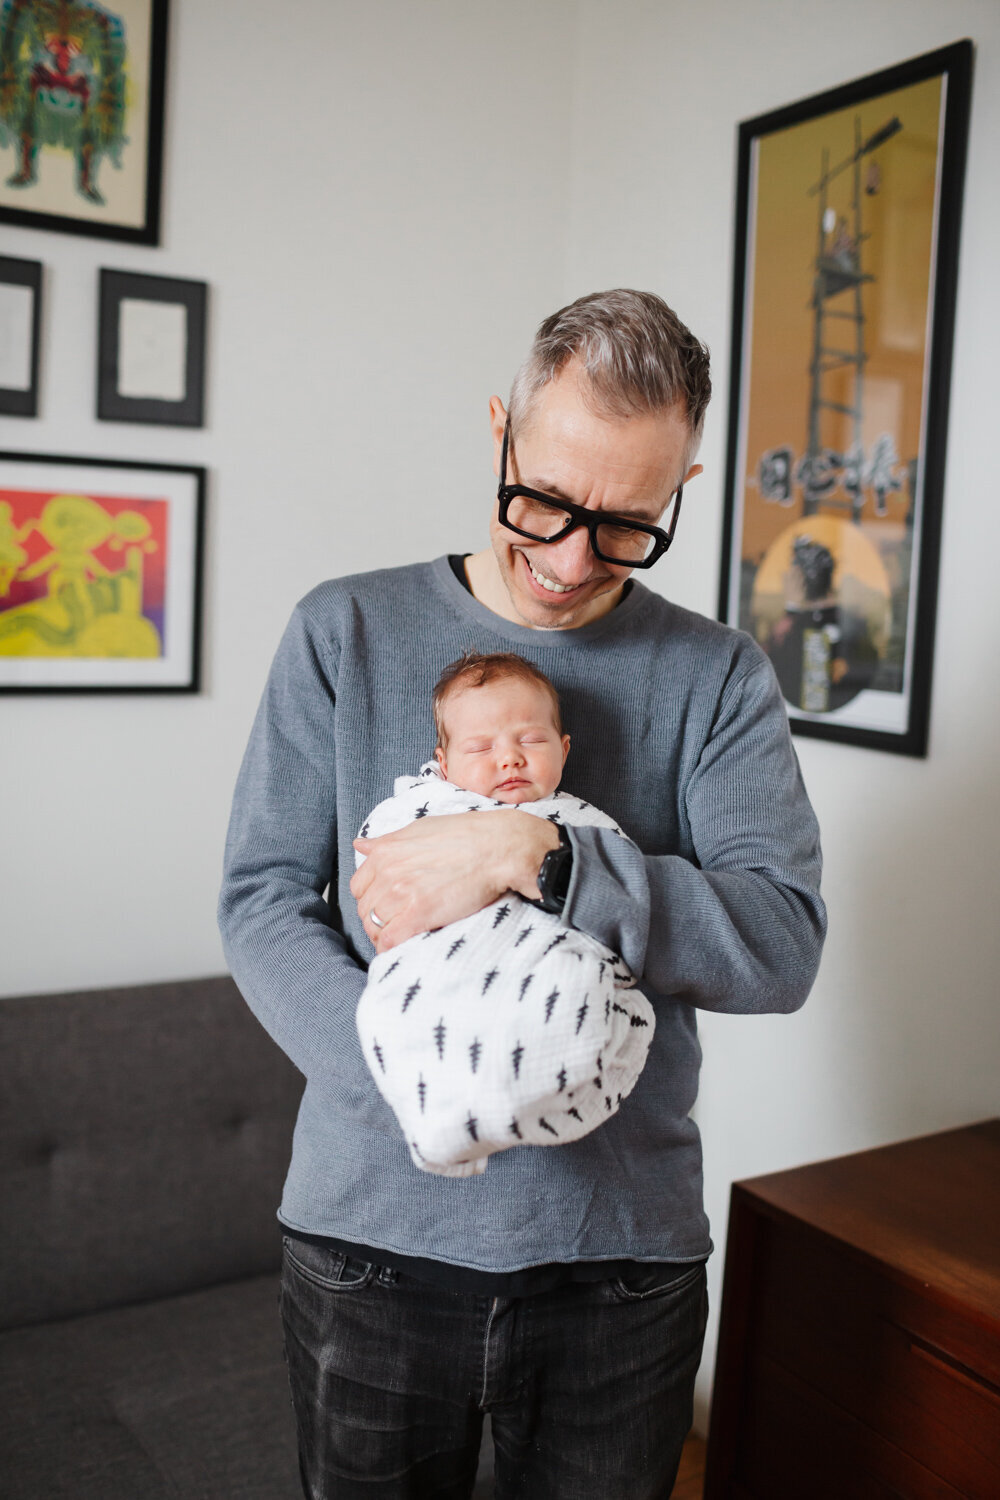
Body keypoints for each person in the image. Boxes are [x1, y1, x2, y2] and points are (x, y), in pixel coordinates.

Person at [218, 288, 826, 1500]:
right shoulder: (344, 629)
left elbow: (779, 943)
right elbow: (260, 901)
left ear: (680, 491)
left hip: (620, 1261)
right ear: (500, 429)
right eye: (541, 502)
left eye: (623, 526)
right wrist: (411, 1074)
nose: (566, 562)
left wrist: (535, 856)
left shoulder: (715, 677)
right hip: (370, 1242)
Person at [354, 650, 653, 1179]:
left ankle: (518, 1100)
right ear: (443, 765)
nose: (510, 758)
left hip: (542, 957)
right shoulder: (427, 805)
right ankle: (442, 1119)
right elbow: (382, 863)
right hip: (448, 962)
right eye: (481, 747)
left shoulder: (581, 823)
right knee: (387, 1007)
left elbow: (624, 897)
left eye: (531, 740)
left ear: (563, 750)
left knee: (577, 989)